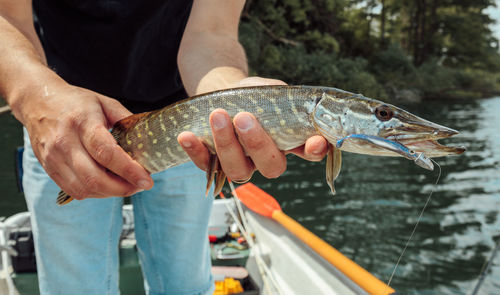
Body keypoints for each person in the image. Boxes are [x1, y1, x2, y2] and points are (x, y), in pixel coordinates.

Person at [0, 1, 328, 294]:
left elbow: (210, 33)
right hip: (59, 120)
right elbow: (7, 17)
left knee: (185, 286)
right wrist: (34, 97)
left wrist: (233, 94)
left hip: (188, 125)